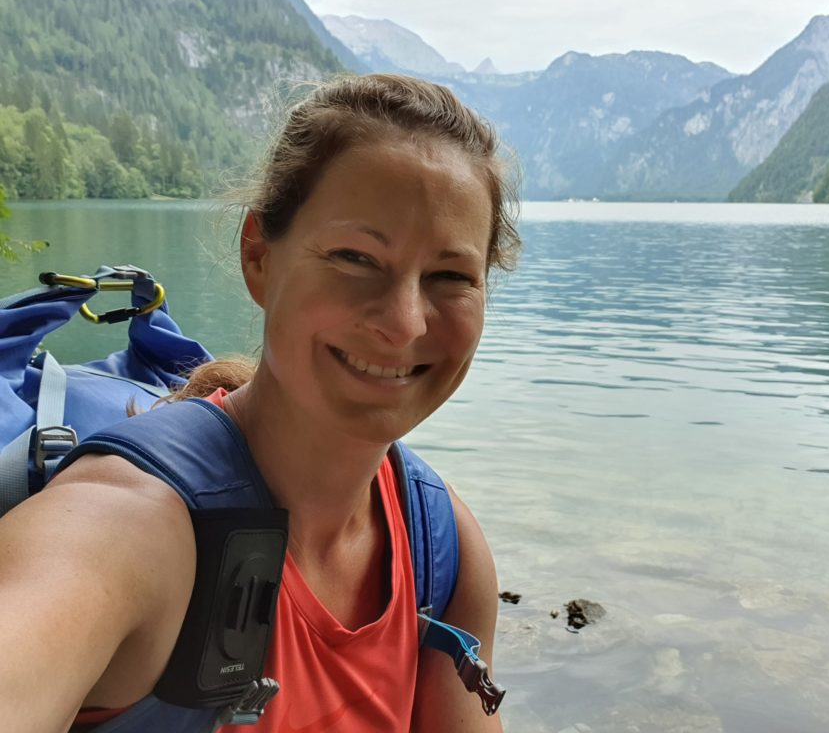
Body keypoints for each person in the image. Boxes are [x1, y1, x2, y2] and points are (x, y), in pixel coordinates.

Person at [0, 73, 520, 732]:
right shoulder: (129, 528)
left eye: (450, 276)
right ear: (258, 257)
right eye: (356, 258)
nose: (404, 322)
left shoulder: (441, 544)